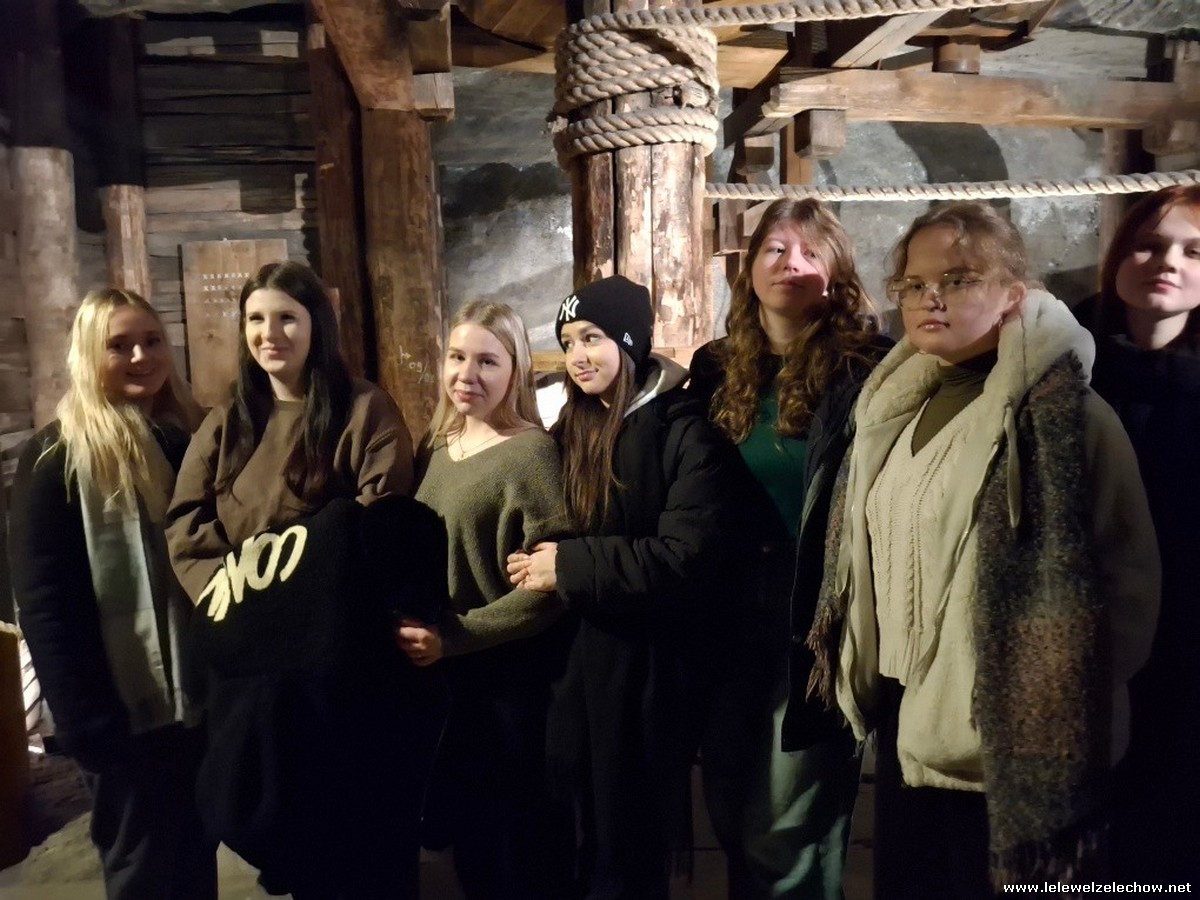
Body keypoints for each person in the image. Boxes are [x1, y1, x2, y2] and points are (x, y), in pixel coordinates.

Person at [806, 202, 1160, 896]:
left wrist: (1048, 697)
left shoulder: (1069, 418)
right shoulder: (892, 411)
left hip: (1012, 741)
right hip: (906, 724)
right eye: (914, 283)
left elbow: (1130, 583)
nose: (930, 297)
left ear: (1013, 294)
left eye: (960, 279)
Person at [165, 261, 426, 898]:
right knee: (287, 830)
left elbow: (379, 525)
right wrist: (242, 607)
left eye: (286, 317)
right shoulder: (228, 421)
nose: (269, 333)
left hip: (339, 664)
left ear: (317, 326)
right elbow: (187, 526)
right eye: (256, 318)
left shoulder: (364, 410)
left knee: (359, 842)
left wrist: (305, 595)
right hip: (257, 668)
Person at [506, 275, 734, 899]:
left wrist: (569, 567)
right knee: (570, 830)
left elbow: (684, 556)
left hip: (644, 671)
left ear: (629, 342)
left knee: (628, 843)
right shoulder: (571, 427)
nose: (578, 355)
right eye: (568, 342)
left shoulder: (684, 430)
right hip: (573, 664)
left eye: (593, 338)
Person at [689, 198, 887, 899]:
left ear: (837, 272)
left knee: (790, 827)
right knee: (731, 810)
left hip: (816, 620)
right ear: (749, 269)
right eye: (775, 249)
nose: (790, 264)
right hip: (728, 619)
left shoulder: (870, 368)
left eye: (810, 252)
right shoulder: (715, 368)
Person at [9, 288, 213, 900]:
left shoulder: (186, 437)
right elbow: (45, 602)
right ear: (88, 355)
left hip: (196, 701)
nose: (141, 357)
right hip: (122, 710)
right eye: (119, 346)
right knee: (142, 865)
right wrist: (86, 723)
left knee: (194, 855)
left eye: (151, 341)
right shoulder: (54, 457)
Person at [396, 301, 575, 898]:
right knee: (469, 845)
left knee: (514, 847)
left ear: (515, 370)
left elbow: (548, 591)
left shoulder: (530, 455)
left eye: (487, 361)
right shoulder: (438, 444)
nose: (466, 374)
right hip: (444, 677)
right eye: (456, 357)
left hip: (506, 682)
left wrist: (456, 636)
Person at [1078, 185, 1200, 879]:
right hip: (1084, 636)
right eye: (1149, 246)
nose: (1168, 263)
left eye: (1194, 251)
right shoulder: (1060, 372)